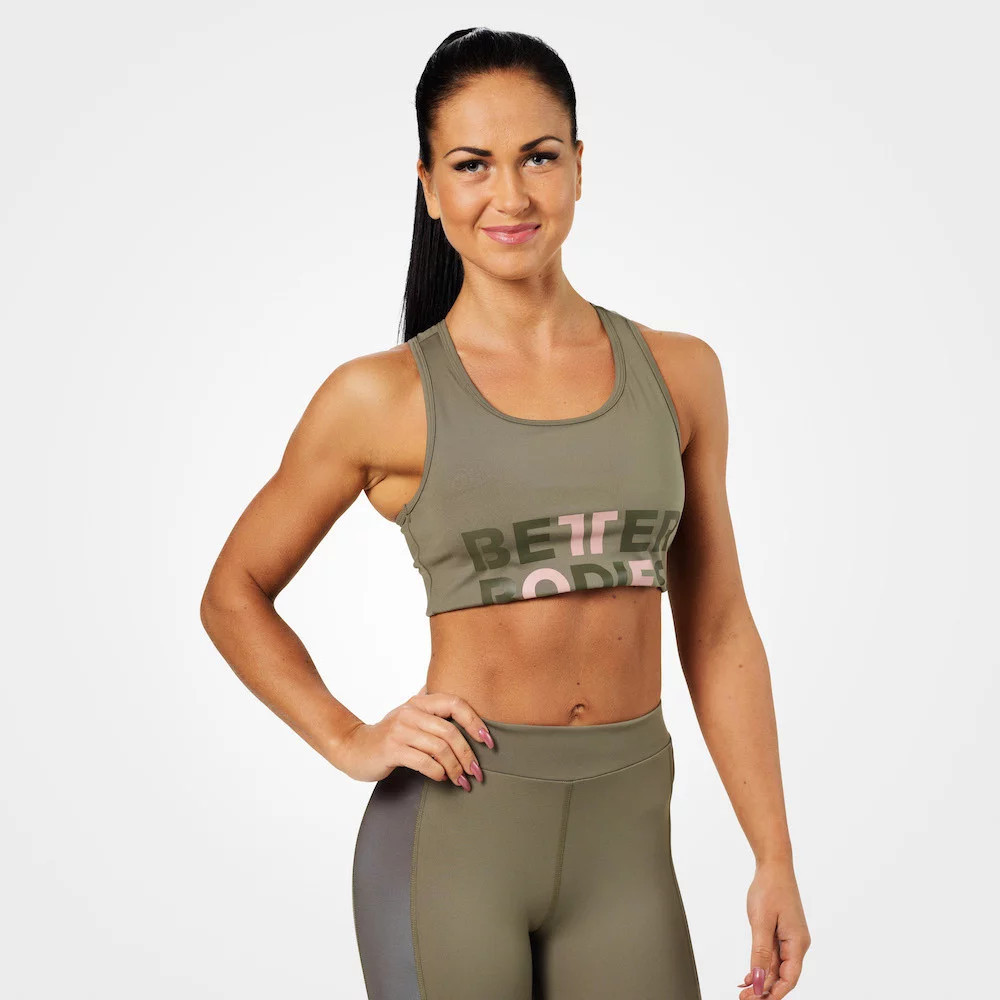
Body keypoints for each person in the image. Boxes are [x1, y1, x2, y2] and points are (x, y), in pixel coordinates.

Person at [200, 25, 810, 1000]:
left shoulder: (681, 375)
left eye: (539, 156)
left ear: (579, 165)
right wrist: (350, 737)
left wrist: (772, 852)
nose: (511, 195)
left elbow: (718, 624)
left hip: (626, 850)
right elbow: (234, 592)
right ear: (429, 185)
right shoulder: (379, 398)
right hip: (454, 842)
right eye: (472, 164)